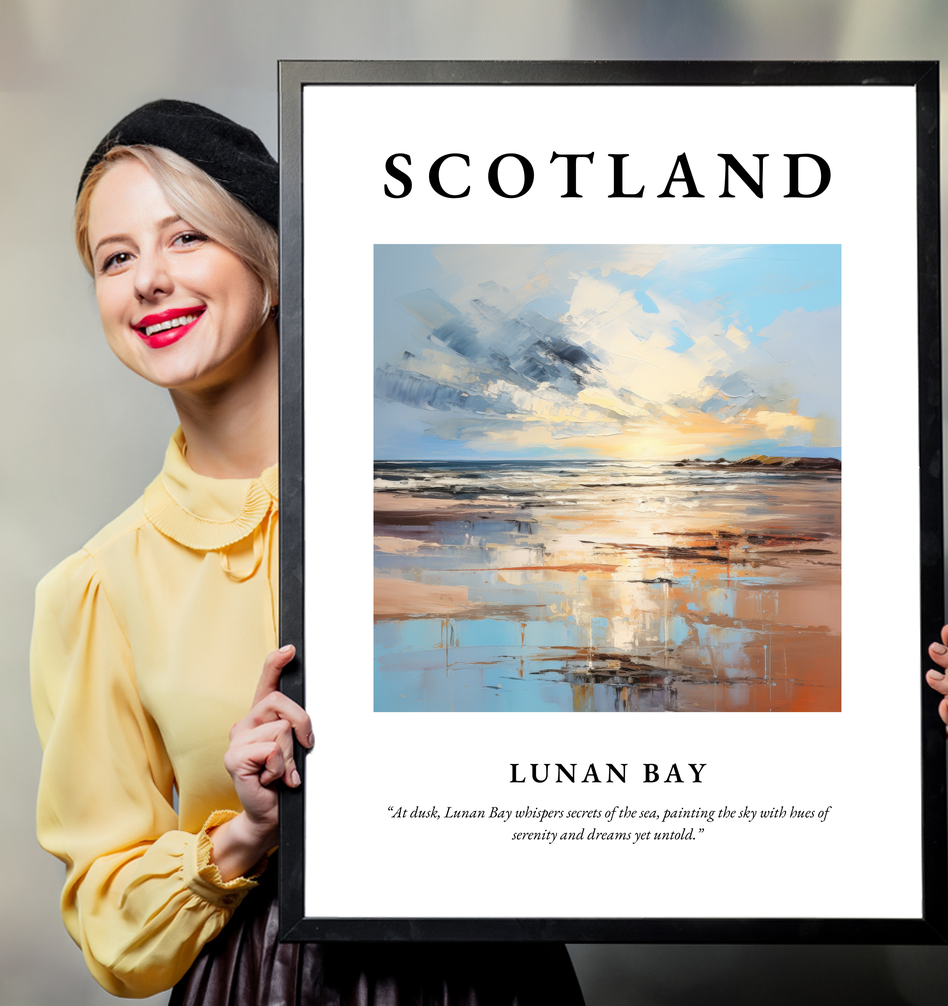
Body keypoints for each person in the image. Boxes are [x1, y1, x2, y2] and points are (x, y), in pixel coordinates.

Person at [30, 100, 585, 1004]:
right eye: (116, 257)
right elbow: (110, 924)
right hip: (263, 981)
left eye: (186, 239)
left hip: (492, 973)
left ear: (273, 264)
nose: (148, 281)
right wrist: (245, 832)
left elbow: (620, 699)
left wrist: (887, 710)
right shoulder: (97, 587)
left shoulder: (457, 492)